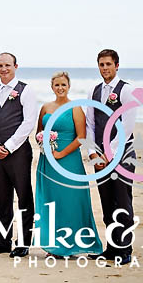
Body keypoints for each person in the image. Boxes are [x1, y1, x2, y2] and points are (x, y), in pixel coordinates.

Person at [34, 71, 103, 258]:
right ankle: (53, 246)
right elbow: (39, 133)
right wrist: (45, 146)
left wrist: (60, 153)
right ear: (52, 87)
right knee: (51, 201)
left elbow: (81, 137)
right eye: (57, 85)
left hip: (69, 161)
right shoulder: (45, 107)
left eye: (63, 84)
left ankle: (72, 245)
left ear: (69, 86)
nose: (60, 88)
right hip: (47, 162)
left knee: (70, 201)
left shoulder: (75, 108)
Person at [0, 52, 39, 257]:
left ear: (15, 66)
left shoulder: (26, 90)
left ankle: (23, 243)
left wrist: (9, 146)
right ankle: (3, 241)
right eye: (0, 66)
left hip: (18, 153)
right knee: (3, 198)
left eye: (7, 65)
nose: (3, 69)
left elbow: (28, 122)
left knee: (24, 197)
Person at [86, 49, 137, 264]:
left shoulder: (127, 90)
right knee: (107, 203)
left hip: (122, 154)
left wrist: (110, 152)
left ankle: (124, 250)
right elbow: (90, 123)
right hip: (100, 156)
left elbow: (128, 125)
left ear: (116, 65)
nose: (105, 68)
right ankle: (111, 248)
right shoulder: (94, 91)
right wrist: (92, 151)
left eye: (108, 64)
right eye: (101, 64)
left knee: (122, 202)